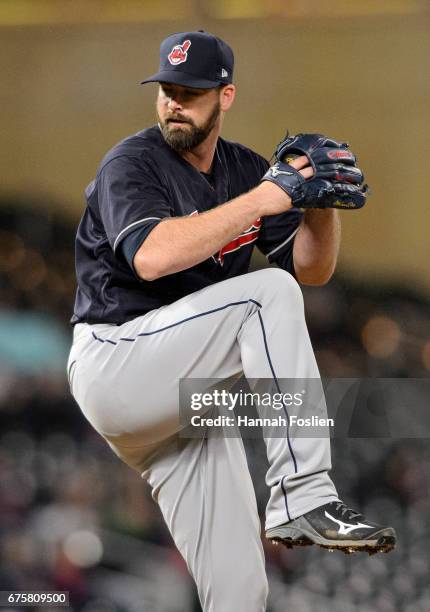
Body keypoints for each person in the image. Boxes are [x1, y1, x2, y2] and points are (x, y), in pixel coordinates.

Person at [67, 30, 396, 612]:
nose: (174, 101)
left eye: (190, 91)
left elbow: (310, 271)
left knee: (242, 590)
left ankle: (294, 507)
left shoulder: (245, 168)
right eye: (167, 89)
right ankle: (302, 493)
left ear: (225, 96)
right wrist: (267, 198)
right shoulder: (132, 163)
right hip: (117, 364)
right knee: (262, 295)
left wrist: (316, 202)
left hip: (187, 400)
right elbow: (152, 256)